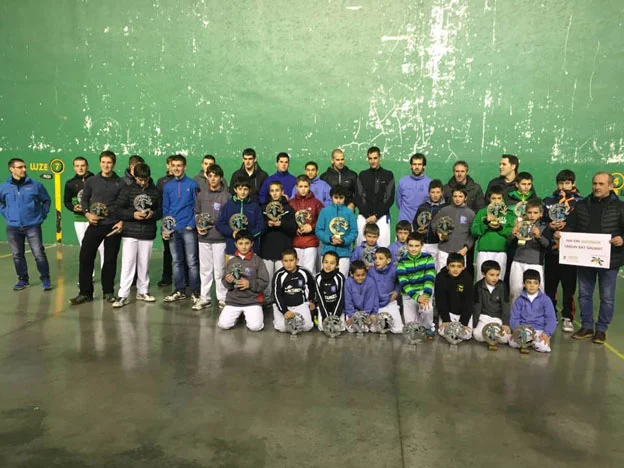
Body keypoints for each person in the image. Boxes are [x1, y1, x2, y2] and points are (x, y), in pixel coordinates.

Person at [565, 172, 624, 344]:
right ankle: (587, 327)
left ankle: (601, 330)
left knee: (607, 297)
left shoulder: (620, 207)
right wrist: (563, 235)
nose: (597, 187)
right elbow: (571, 226)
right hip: (584, 259)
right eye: (595, 183)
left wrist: (622, 239)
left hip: (610, 259)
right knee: (584, 295)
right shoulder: (581, 205)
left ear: (611, 186)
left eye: (601, 184)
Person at [69, 150, 124, 304]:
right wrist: (87, 214)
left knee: (110, 259)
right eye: (103, 162)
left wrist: (121, 222)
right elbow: (84, 200)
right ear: (100, 163)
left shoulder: (120, 182)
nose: (106, 165)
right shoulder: (92, 181)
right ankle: (85, 293)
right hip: (95, 224)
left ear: (113, 164)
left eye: (109, 162)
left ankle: (108, 292)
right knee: (85, 256)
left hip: (113, 226)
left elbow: (124, 204)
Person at [112, 163, 161, 307]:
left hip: (148, 232)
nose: (143, 182)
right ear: (135, 177)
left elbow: (160, 210)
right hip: (130, 233)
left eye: (145, 179)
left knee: (144, 263)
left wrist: (153, 214)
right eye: (140, 179)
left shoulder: (155, 191)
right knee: (128, 264)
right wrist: (133, 214)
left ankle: (143, 291)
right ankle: (123, 295)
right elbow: (118, 209)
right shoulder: (127, 190)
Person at [0, 158, 52, 291]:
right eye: (20, 167)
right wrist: (7, 214)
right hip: (13, 227)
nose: (24, 169)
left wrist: (41, 215)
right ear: (11, 169)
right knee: (17, 255)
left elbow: (46, 200)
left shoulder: (36, 185)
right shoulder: (4, 187)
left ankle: (45, 279)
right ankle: (23, 280)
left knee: (39, 254)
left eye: (24, 167)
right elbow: (1, 203)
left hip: (32, 226)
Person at [542, 169, 582, 333]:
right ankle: (551, 314)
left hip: (571, 252)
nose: (563, 186)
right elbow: (541, 221)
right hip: (552, 251)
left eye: (567, 183)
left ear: (573, 183)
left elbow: (583, 224)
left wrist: (568, 226)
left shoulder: (580, 202)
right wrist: (550, 227)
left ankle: (568, 317)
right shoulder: (548, 201)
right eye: (560, 183)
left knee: (568, 287)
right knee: (550, 286)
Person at [161, 154, 201, 304]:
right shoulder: (167, 186)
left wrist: (192, 224)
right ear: (170, 167)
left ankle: (195, 291)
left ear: (185, 167)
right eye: (174, 165)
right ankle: (179, 290)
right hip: (173, 230)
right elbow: (166, 209)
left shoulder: (193, 184)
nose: (176, 168)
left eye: (179, 165)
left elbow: (197, 207)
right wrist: (165, 228)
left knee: (191, 261)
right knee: (177, 261)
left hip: (188, 229)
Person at [193, 164, 231, 311]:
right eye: (210, 176)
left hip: (220, 238)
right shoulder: (201, 195)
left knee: (220, 270)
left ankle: (222, 298)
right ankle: (205, 298)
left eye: (216, 176)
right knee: (205, 270)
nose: (213, 179)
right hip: (204, 238)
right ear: (207, 177)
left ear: (220, 177)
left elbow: (229, 218)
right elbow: (197, 213)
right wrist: (198, 226)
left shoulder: (227, 196)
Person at [217, 230, 269, 331]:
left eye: (247, 243)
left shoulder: (258, 261)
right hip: (234, 301)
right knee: (223, 325)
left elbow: (264, 281)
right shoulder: (231, 261)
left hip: (252, 301)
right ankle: (240, 315)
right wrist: (228, 281)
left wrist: (250, 284)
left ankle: (251, 314)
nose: (244, 247)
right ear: (236, 244)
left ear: (252, 244)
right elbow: (224, 281)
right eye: (240, 243)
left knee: (255, 327)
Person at [260, 181, 297, 305]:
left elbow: (293, 227)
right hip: (267, 249)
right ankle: (267, 300)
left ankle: (282, 300)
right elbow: (258, 227)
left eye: (277, 190)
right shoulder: (263, 208)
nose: (275, 193)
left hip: (283, 249)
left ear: (282, 192)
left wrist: (282, 224)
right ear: (269, 193)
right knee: (267, 277)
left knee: (282, 277)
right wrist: (267, 224)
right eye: (272, 191)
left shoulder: (288, 209)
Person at [63, 157, 104, 271]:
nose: (80, 168)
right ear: (74, 167)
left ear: (87, 166)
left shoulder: (96, 180)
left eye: (82, 165)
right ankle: (89, 275)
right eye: (77, 166)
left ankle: (105, 274)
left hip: (96, 218)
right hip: (80, 220)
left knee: (102, 247)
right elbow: (66, 201)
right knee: (85, 248)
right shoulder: (70, 183)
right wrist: (73, 208)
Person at [508, 199, 550, 303]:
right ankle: (515, 313)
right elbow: (508, 243)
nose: (532, 215)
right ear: (525, 213)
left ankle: (537, 313)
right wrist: (512, 235)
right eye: (529, 212)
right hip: (518, 262)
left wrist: (539, 236)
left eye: (535, 213)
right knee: (515, 290)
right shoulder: (520, 226)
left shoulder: (544, 227)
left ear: (540, 214)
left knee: (538, 291)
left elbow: (547, 245)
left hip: (535, 263)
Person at [471, 186, 515, 281]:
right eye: (493, 198)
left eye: (499, 198)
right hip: (484, 251)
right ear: (489, 199)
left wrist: (500, 228)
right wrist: (486, 223)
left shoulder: (508, 214)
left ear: (503, 199)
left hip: (501, 251)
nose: (496, 201)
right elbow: (474, 231)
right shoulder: (482, 212)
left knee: (498, 280)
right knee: (481, 279)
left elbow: (512, 232)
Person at [354, 146, 395, 246]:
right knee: (361, 247)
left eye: (375, 158)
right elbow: (358, 197)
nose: (372, 161)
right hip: (364, 217)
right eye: (370, 158)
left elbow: (389, 198)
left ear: (380, 157)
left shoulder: (388, 175)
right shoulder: (362, 175)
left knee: (383, 249)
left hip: (382, 217)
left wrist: (376, 216)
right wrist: (368, 216)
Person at [397, 233, 435, 338]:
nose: (413, 249)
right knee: (410, 328)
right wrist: (417, 298)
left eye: (417, 246)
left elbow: (429, 278)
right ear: (406, 245)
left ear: (422, 246)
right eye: (411, 245)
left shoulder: (428, 257)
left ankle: (428, 327)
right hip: (408, 295)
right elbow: (404, 283)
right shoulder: (402, 261)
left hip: (423, 291)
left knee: (427, 310)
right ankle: (419, 322)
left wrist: (425, 296)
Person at [509, 269, 556, 353]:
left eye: (535, 283)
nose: (532, 285)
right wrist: (516, 330)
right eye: (529, 282)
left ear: (539, 284)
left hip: (539, 331)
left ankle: (532, 343)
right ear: (523, 284)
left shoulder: (546, 300)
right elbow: (514, 317)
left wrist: (546, 333)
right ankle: (529, 342)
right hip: (523, 330)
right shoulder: (519, 300)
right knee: (512, 343)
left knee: (543, 347)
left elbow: (551, 319)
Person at [315, 185, 358, 277]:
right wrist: (329, 239)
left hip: (343, 253)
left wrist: (344, 241)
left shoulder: (349, 213)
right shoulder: (324, 211)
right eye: (336, 197)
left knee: (342, 279)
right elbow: (318, 230)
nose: (338, 200)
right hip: (327, 251)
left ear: (345, 198)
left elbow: (354, 232)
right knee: (326, 279)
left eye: (341, 198)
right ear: (331, 197)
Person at [271, 249, 316, 333]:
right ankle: (277, 320)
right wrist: (284, 311)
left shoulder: (304, 272)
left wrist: (311, 300)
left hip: (300, 304)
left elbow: (312, 286)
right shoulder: (279, 275)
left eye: (291, 260)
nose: (288, 264)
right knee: (282, 328)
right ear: (282, 262)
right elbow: (276, 295)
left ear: (297, 260)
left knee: (307, 327)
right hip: (284, 305)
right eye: (285, 261)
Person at [216, 178, 264, 256]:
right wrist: (231, 232)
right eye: (240, 189)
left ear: (250, 190)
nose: (242, 192)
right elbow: (220, 225)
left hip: (251, 249)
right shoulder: (228, 206)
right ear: (235, 190)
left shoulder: (254, 206)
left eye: (245, 189)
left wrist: (249, 236)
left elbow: (260, 226)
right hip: (232, 248)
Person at [431, 188, 475, 272]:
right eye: (455, 196)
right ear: (452, 197)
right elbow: (434, 223)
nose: (457, 199)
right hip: (444, 250)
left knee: (459, 276)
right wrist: (438, 232)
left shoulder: (470, 213)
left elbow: (473, 234)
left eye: (460, 196)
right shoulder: (445, 210)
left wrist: (466, 248)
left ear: (465, 198)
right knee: (442, 274)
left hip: (460, 251)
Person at [435, 253, 474, 343]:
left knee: (467, 335)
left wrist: (463, 322)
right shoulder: (440, 277)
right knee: (443, 331)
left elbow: (469, 302)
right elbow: (440, 300)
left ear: (463, 267)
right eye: (452, 266)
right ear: (447, 266)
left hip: (462, 313)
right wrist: (446, 319)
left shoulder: (468, 278)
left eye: (459, 266)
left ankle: (457, 331)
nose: (455, 269)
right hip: (448, 313)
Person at [289, 175, 324, 274]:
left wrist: (312, 227)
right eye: (301, 186)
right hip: (295, 242)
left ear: (309, 186)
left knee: (309, 271)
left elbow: (322, 221)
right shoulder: (291, 203)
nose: (303, 189)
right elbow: (287, 221)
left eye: (305, 186)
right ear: (296, 187)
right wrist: (295, 229)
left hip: (311, 242)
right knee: (296, 271)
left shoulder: (317, 203)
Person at [472, 260, 511, 344]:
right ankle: (492, 336)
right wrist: (474, 324)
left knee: (505, 338)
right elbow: (477, 306)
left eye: (497, 275)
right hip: (483, 318)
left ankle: (490, 335)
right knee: (476, 334)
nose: (495, 278)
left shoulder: (502, 286)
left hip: (497, 319)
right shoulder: (478, 286)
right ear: (483, 274)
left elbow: (506, 305)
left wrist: (505, 323)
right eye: (492, 275)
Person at [368, 248, 403, 334]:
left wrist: (397, 291)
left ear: (388, 260)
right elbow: (369, 291)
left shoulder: (394, 270)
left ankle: (389, 319)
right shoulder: (371, 271)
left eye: (380, 258)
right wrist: (372, 311)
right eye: (375, 258)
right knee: (374, 329)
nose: (377, 261)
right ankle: (385, 322)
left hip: (390, 302)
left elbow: (400, 281)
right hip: (377, 305)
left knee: (398, 329)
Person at [413, 179, 446, 270]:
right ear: (429, 193)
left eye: (438, 192)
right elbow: (415, 222)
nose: (435, 195)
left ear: (442, 193)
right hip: (422, 243)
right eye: (432, 192)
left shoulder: (445, 208)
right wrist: (418, 230)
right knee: (420, 268)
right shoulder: (422, 207)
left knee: (434, 269)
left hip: (437, 244)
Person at [314, 251, 346, 332]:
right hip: (324, 309)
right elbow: (320, 299)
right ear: (322, 263)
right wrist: (326, 317)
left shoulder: (340, 278)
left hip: (337, 309)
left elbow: (341, 298)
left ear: (337, 265)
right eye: (326, 262)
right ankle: (317, 317)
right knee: (323, 328)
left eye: (332, 263)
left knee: (341, 328)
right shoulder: (318, 277)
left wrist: (335, 317)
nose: (328, 265)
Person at [345, 260, 379, 333]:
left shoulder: (371, 282)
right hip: (353, 313)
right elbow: (348, 301)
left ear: (366, 273)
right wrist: (352, 316)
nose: (360, 277)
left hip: (367, 312)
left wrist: (367, 315)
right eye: (357, 275)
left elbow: (371, 300)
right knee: (351, 329)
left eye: (363, 275)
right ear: (352, 274)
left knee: (366, 329)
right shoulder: (348, 282)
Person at [156, 155, 175, 287]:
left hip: (180, 220)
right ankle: (166, 277)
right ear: (167, 165)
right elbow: (158, 201)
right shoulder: (161, 182)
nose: (174, 168)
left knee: (182, 252)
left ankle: (184, 279)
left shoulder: (184, 182)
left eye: (176, 165)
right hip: (166, 221)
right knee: (167, 250)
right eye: (171, 165)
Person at [396, 153, 432, 222]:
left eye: (419, 164)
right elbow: (399, 203)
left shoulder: (430, 183)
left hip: (422, 223)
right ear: (411, 166)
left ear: (424, 166)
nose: (417, 167)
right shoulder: (402, 182)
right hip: (404, 222)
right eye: (414, 164)